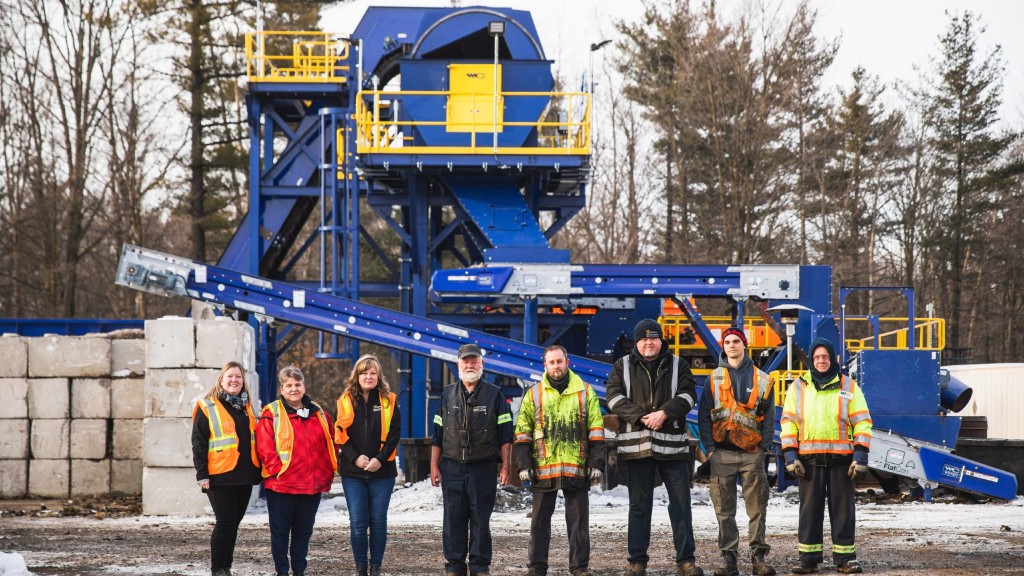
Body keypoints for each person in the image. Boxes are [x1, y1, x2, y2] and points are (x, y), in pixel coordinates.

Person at [606, 319, 704, 576]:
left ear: (661, 340)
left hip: (672, 448)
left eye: (653, 338)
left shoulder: (678, 365)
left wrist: (665, 414)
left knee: (681, 504)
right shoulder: (622, 366)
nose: (648, 343)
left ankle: (686, 561)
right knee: (639, 506)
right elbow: (614, 397)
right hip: (637, 448)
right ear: (636, 342)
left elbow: (688, 395)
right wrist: (641, 416)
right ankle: (637, 562)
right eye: (643, 339)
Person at [781, 338, 873, 575]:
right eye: (817, 357)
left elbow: (862, 421)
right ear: (811, 360)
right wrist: (791, 456)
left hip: (842, 461)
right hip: (808, 462)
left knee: (843, 511)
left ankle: (845, 559)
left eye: (826, 357)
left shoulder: (849, 386)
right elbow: (788, 423)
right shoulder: (798, 387)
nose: (822, 361)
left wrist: (860, 455)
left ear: (833, 359)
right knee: (809, 511)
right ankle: (808, 559)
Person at [514, 345, 606, 576]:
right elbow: (522, 432)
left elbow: (596, 431)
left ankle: (579, 568)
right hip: (543, 470)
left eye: (559, 362)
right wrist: (523, 464)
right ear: (545, 365)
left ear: (568, 362)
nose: (556, 366)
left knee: (578, 525)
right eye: (552, 362)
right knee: (539, 524)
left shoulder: (585, 392)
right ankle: (536, 567)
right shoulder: (534, 394)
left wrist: (596, 464)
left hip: (577, 469)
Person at [697, 328, 776, 576]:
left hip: (752, 452)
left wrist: (763, 448)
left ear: (744, 345)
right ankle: (729, 559)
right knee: (723, 510)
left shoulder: (762, 379)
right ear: (724, 346)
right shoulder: (714, 378)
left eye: (736, 341)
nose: (732, 345)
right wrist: (709, 449)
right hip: (721, 453)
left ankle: (758, 557)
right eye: (728, 342)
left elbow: (769, 417)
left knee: (757, 507)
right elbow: (704, 416)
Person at [430, 343, 513, 576]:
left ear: (482, 364)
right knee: (453, 519)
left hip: (483, 468)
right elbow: (437, 434)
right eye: (465, 361)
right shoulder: (446, 394)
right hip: (452, 468)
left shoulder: (494, 394)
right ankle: (454, 566)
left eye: (474, 361)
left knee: (480, 519)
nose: (470, 365)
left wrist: (505, 466)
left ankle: (479, 565)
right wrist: (434, 465)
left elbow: (506, 435)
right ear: (458, 364)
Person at [256, 365, 338, 576]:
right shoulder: (271, 412)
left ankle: (299, 571)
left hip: (311, 486)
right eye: (289, 385)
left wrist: (327, 471)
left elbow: (331, 442)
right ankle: (282, 572)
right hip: (282, 486)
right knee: (281, 533)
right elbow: (264, 446)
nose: (294, 389)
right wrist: (278, 471)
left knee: (303, 533)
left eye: (298, 384)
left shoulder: (319, 413)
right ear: (281, 389)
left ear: (304, 386)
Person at [191, 361, 262, 576]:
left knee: (233, 524)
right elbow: (199, 442)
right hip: (219, 475)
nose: (234, 380)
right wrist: (202, 475)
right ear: (221, 380)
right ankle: (217, 568)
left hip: (244, 475)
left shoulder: (246, 407)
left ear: (243, 381)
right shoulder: (208, 406)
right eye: (229, 376)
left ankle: (226, 567)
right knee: (225, 522)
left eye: (238, 377)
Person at [335, 355, 401, 576]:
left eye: (373, 373)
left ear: (378, 375)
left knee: (379, 521)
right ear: (357, 375)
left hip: (382, 471)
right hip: (353, 472)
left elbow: (394, 434)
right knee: (358, 522)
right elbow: (340, 433)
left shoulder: (388, 400)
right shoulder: (345, 400)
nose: (369, 377)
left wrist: (379, 459)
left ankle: (376, 567)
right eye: (364, 372)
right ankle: (361, 567)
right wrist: (356, 458)